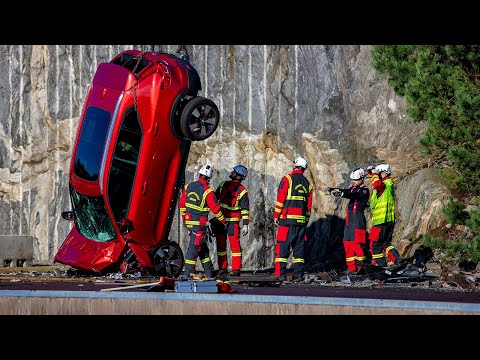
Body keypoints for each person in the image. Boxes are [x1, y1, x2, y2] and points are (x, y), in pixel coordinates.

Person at [179, 164, 226, 278]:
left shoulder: (188, 186)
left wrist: (185, 218)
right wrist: (224, 221)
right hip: (199, 225)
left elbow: (182, 204)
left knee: (202, 248)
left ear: (199, 174)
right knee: (194, 248)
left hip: (189, 223)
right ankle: (188, 273)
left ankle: (209, 273)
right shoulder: (208, 191)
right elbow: (215, 209)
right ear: (209, 178)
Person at [273, 156, 313, 281]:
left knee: (282, 247)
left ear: (295, 165)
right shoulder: (308, 184)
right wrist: (305, 221)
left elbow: (281, 198)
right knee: (299, 250)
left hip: (287, 220)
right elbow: (308, 207)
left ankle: (280, 274)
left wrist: (276, 215)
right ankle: (298, 275)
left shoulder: (288, 179)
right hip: (301, 222)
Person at [328, 167, 369, 273]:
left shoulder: (364, 191)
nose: (353, 181)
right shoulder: (353, 188)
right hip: (349, 220)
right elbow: (347, 191)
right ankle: (351, 268)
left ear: (361, 179)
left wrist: (342, 194)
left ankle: (361, 268)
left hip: (357, 219)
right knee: (347, 243)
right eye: (353, 180)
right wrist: (335, 190)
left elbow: (354, 195)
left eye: (355, 180)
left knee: (357, 245)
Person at [213, 165, 250, 276]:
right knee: (221, 246)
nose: (231, 172)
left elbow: (245, 209)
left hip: (231, 221)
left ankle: (235, 269)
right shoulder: (223, 185)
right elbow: (213, 200)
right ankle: (223, 268)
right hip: (222, 220)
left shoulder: (242, 191)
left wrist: (245, 224)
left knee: (234, 246)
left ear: (239, 176)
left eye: (234, 172)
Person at [366, 163, 402, 267]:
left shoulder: (383, 185)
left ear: (384, 173)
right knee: (386, 244)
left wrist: (373, 172)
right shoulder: (387, 184)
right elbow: (375, 181)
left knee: (375, 245)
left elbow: (377, 184)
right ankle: (398, 261)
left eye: (379, 173)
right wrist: (370, 173)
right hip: (388, 221)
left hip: (380, 221)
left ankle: (380, 267)